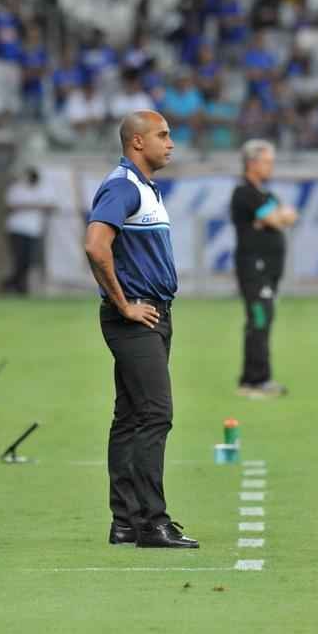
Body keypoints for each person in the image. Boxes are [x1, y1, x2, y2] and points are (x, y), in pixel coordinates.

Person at [84, 110, 199, 549]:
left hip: (153, 315)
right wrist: (124, 305)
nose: (171, 143)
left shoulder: (144, 187)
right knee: (155, 414)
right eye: (163, 135)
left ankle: (126, 521)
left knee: (131, 416)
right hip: (137, 318)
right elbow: (96, 245)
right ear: (136, 142)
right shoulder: (122, 185)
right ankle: (152, 522)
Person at [230, 140, 298, 398]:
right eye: (267, 161)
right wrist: (274, 218)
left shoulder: (266, 195)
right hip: (253, 271)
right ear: (252, 163)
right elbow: (276, 218)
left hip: (269, 272)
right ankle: (256, 381)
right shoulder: (244, 192)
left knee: (263, 320)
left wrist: (275, 219)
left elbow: (289, 217)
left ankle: (253, 379)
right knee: (259, 319)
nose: (271, 166)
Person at [2, 167, 53, 295]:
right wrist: (36, 205)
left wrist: (29, 205)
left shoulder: (43, 189)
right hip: (17, 229)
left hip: (34, 230)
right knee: (20, 259)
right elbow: (11, 205)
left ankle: (13, 284)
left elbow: (51, 205)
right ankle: (17, 286)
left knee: (29, 260)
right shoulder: (17, 188)